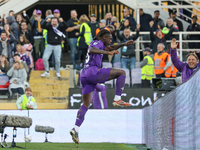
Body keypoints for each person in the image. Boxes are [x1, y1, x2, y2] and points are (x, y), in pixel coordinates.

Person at [69, 29, 133, 144]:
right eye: (109, 38)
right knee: (122, 73)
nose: (111, 40)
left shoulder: (101, 45)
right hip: (92, 71)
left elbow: (111, 48)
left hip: (85, 76)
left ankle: (75, 128)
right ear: (104, 37)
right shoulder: (96, 42)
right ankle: (117, 99)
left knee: (86, 104)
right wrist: (108, 53)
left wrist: (124, 44)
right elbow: (92, 50)